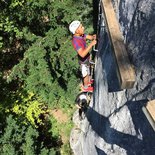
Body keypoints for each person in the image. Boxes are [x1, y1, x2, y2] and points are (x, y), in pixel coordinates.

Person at [69, 20, 97, 92]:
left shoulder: (80, 35)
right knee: (86, 75)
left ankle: (89, 82)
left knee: (89, 70)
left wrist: (93, 37)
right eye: (81, 27)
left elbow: (87, 36)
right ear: (76, 31)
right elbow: (82, 54)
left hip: (86, 58)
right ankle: (85, 87)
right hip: (83, 61)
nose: (83, 28)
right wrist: (91, 44)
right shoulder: (75, 41)